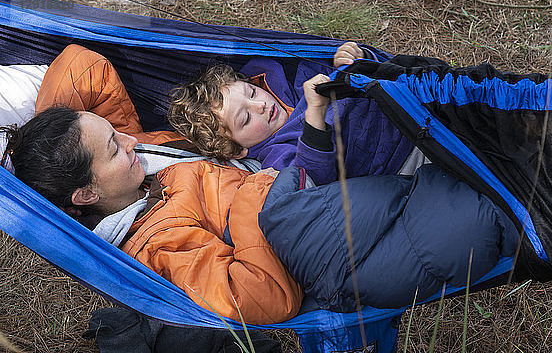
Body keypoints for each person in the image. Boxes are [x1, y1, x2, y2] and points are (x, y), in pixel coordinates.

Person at [1, 44, 519, 323]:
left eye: (116, 133)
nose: (130, 142)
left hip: (326, 163)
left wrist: (39, 147)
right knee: (495, 199)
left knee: (474, 112)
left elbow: (82, 64)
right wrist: (257, 192)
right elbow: (262, 296)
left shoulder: (139, 153)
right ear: (87, 195)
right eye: (113, 147)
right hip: (305, 208)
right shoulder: (156, 239)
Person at [168, 42, 419, 185]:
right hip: (402, 162)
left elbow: (367, 73)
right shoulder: (276, 156)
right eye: (245, 119)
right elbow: (315, 178)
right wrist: (315, 115)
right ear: (236, 149)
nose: (260, 106)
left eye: (252, 93)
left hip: (410, 106)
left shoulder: (296, 75)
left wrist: (357, 58)